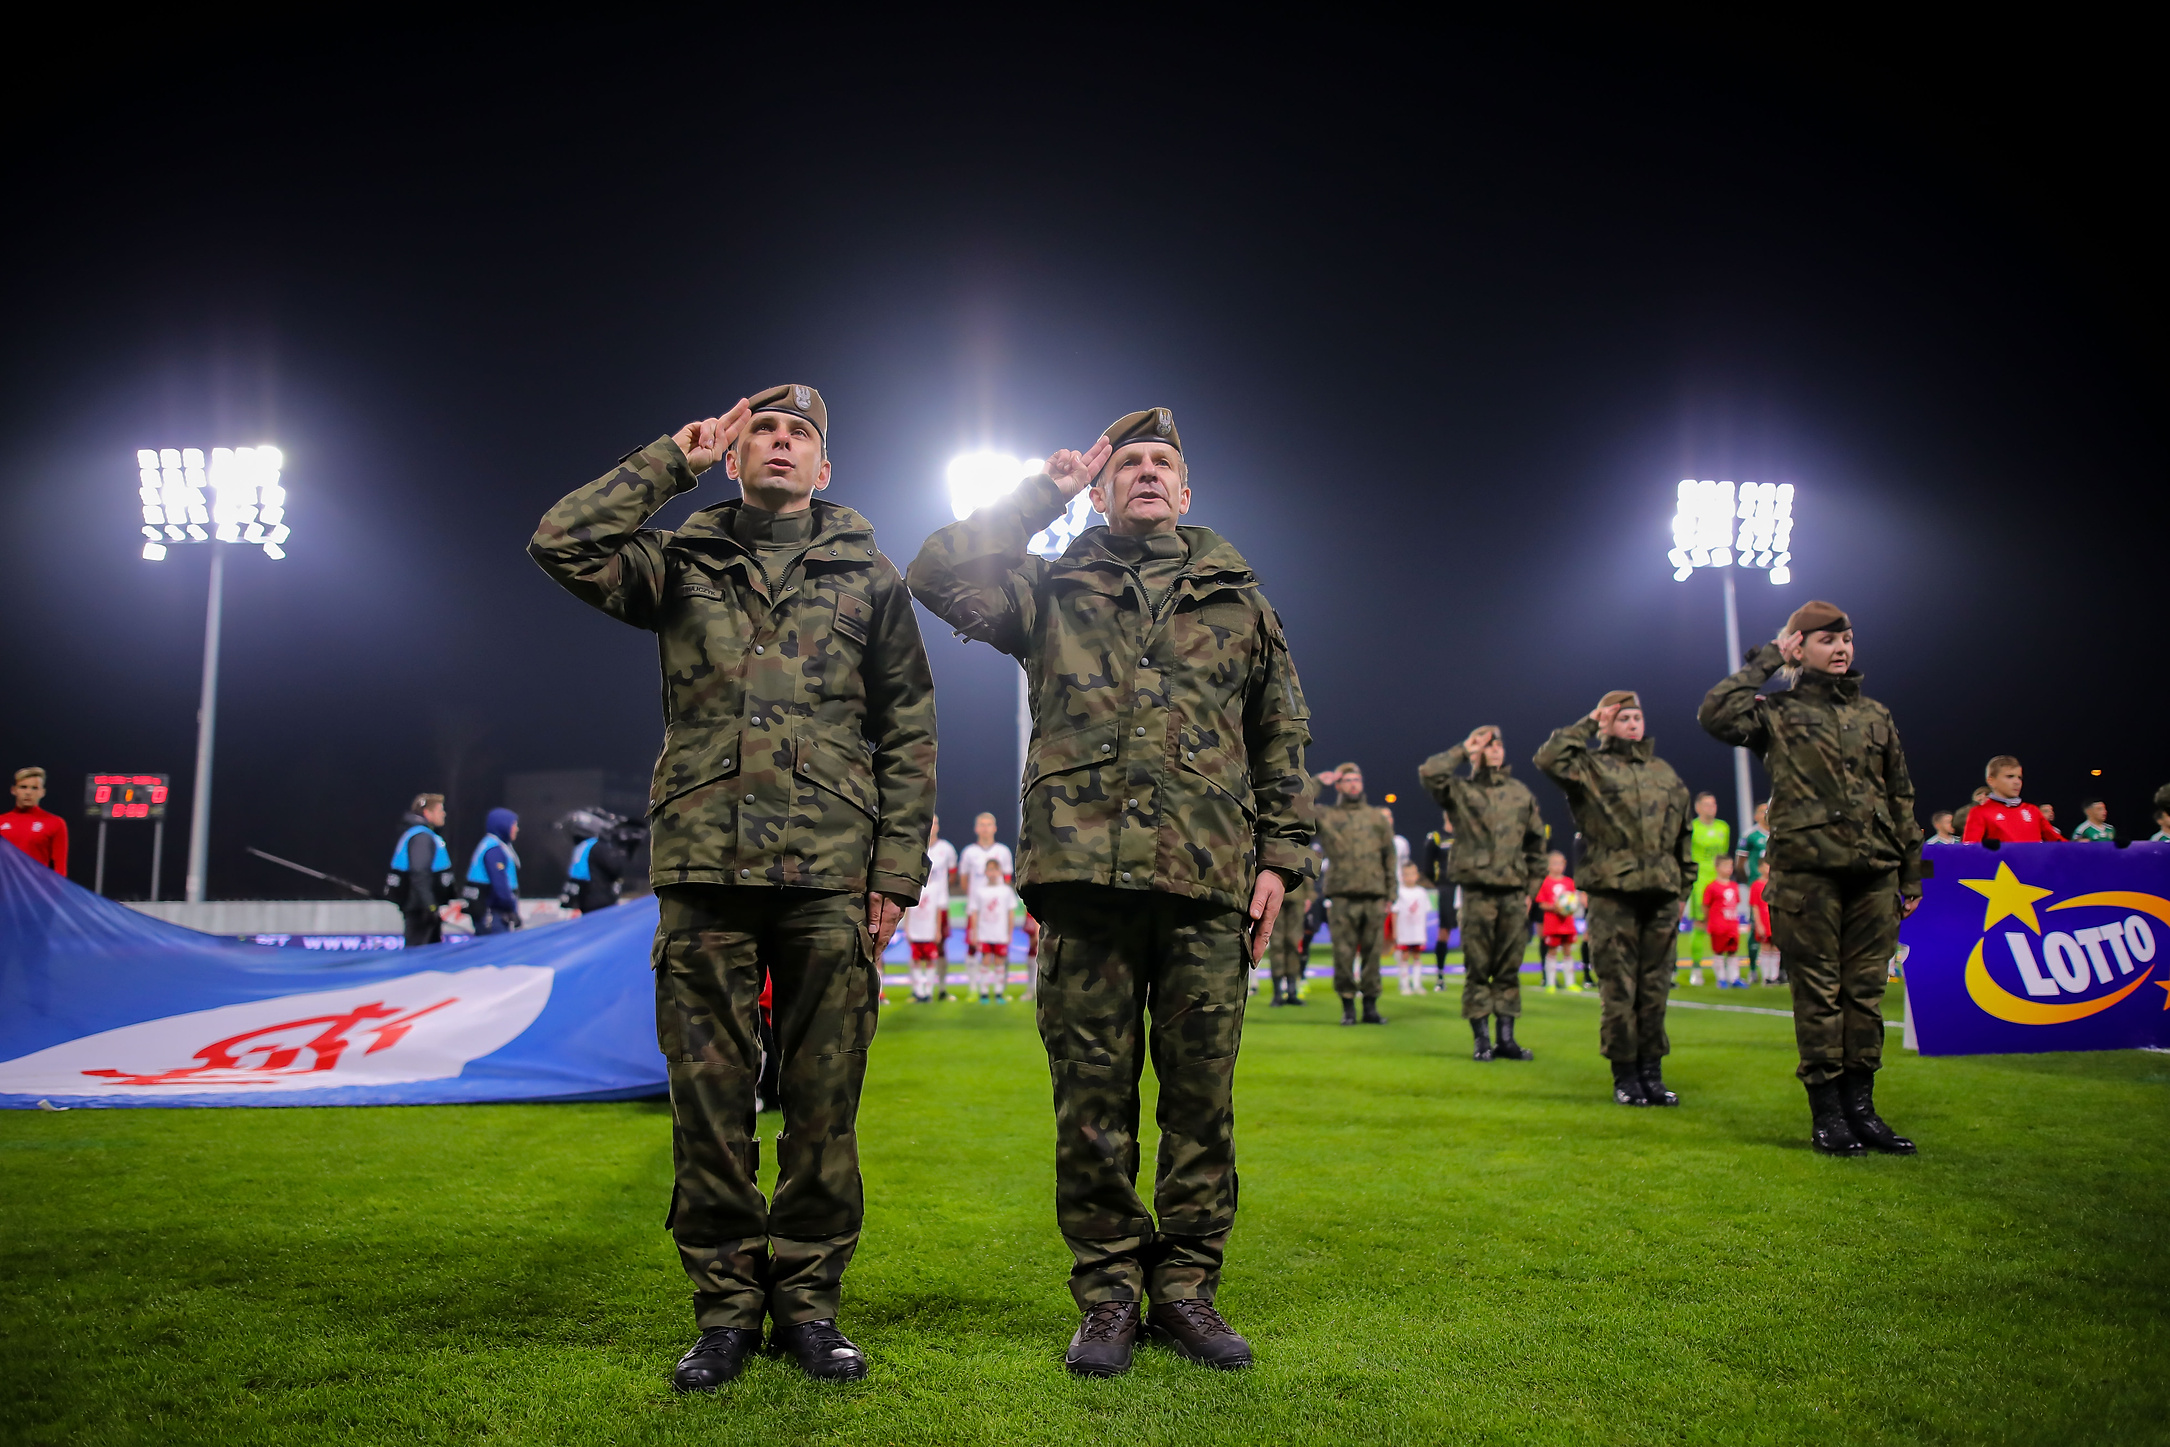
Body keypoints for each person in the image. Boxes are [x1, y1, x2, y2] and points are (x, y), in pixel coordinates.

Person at [530, 386, 937, 1388]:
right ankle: (723, 1313)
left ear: (825, 467)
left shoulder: (869, 573)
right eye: (764, 430)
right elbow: (561, 543)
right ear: (734, 454)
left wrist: (895, 868)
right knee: (708, 1103)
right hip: (706, 865)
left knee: (822, 1104)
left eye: (801, 435)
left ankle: (809, 1307)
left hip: (829, 870)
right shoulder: (682, 560)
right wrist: (670, 459)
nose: (781, 443)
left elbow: (908, 726)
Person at [909, 405, 1311, 1377]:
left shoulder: (1240, 600)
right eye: (1127, 462)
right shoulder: (1050, 584)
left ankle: (1186, 1289)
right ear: (1097, 489)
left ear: (1186, 488)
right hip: (1084, 878)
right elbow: (935, 571)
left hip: (1206, 877)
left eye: (1161, 460)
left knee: (1200, 1101)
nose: (1146, 471)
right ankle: (1107, 1294)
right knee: (1090, 1101)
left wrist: (1281, 858)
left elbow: (1281, 734)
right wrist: (1035, 497)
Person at [1699, 599, 1921, 1157]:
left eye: (1846, 638)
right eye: (1827, 640)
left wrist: (1911, 875)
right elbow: (1715, 714)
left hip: (1873, 874)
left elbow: (1900, 796)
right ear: (1800, 647)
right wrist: (1771, 658)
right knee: (1819, 995)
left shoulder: (1875, 714)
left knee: (1865, 996)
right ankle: (1828, 1115)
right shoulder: (1776, 711)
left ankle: (1862, 1110)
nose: (1841, 648)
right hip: (1806, 876)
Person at [1534, 690, 1693, 1107]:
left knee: (1655, 988)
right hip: (1612, 892)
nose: (1633, 724)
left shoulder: (1664, 772)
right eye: (1624, 717)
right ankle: (1625, 1074)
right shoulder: (1589, 767)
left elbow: (1684, 834)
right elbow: (1548, 759)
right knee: (1619, 988)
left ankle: (1652, 1073)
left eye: (1637, 717)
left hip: (1661, 892)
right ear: (1608, 723)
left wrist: (1684, 888)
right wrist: (1590, 722)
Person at [1420, 726, 1546, 1061]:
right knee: (1477, 967)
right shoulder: (1460, 791)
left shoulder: (1520, 793)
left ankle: (1506, 1039)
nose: (1495, 749)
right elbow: (1430, 773)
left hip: (1513, 893)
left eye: (1498, 745)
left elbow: (1537, 845)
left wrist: (1531, 891)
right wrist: (1464, 749)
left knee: (1509, 968)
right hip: (1476, 892)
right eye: (1488, 745)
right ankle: (1481, 1040)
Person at [1316, 762, 1398, 1025]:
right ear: (1339, 785)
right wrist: (1319, 782)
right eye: (1347, 780)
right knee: (1343, 954)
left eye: (1357, 780)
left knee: (1373, 955)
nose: (1353, 785)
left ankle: (1370, 1006)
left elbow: (1389, 856)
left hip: (1374, 894)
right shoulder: (1327, 816)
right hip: (1342, 895)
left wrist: (1391, 893)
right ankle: (1348, 1006)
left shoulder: (1376, 818)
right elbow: (1298, 805)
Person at [1267, 789, 1319, 1006]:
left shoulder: (1300, 835)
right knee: (1277, 943)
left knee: (1292, 943)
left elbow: (1305, 867)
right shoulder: (1272, 830)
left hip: (1296, 898)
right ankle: (1278, 991)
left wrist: (1309, 896)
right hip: (1278, 896)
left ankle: (1291, 989)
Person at [386, 793, 454, 947]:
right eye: (440, 810)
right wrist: (430, 905)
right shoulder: (422, 838)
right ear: (427, 813)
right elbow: (419, 872)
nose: (444, 814)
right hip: (421, 911)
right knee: (421, 953)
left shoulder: (419, 834)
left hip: (422, 908)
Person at [959, 812, 1013, 998]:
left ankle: (1000, 989)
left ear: (995, 828)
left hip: (997, 911)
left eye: (988, 824)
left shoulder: (1003, 852)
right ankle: (974, 988)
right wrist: (976, 900)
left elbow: (1007, 879)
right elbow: (964, 881)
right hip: (976, 909)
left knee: (1000, 950)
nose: (985, 828)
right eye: (982, 824)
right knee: (973, 947)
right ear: (976, 828)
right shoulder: (969, 852)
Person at [906, 817, 957, 1002]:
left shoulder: (947, 849)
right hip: (919, 904)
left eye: (935, 823)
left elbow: (952, 876)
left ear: (938, 826)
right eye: (930, 822)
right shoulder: (915, 848)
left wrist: (939, 893)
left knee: (940, 947)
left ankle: (941, 988)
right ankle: (917, 990)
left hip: (940, 904)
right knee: (916, 948)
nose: (932, 826)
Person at [1682, 792, 1730, 978]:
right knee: (1700, 924)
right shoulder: (1692, 828)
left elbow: (1724, 854)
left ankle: (1725, 968)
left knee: (1724, 925)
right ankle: (1696, 969)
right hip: (1700, 882)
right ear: (1698, 807)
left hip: (1720, 881)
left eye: (1714, 804)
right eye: (1707, 804)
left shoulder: (1723, 827)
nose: (1712, 808)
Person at [1961, 758, 2061, 843]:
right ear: (1991, 781)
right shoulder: (1979, 812)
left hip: (2033, 861)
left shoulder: (2033, 810)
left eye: (2019, 777)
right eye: (2010, 776)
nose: (2017, 782)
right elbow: (1970, 851)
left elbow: (2059, 842)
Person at [558, 809, 637, 915]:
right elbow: (615, 868)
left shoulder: (581, 847)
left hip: (585, 899)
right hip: (600, 900)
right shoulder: (596, 846)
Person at [464, 808, 523, 935]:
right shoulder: (494, 850)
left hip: (487, 911)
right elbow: (499, 883)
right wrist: (511, 909)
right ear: (503, 825)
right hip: (493, 913)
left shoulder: (490, 844)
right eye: (514, 825)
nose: (517, 829)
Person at [2, 767, 68, 875]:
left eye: (34, 788)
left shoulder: (55, 823)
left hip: (36, 885)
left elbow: (60, 867)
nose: (28, 792)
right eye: (23, 787)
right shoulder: (1, 821)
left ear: (42, 792)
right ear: (13, 790)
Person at [971, 858, 1018, 1003]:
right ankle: (984, 993)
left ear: (1000, 872)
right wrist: (974, 933)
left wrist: (1009, 933)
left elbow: (1010, 913)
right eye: (989, 870)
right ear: (985, 872)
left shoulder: (1006, 891)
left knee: (999, 962)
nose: (992, 873)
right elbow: (975, 913)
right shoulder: (980, 891)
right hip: (984, 933)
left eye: (995, 870)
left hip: (1000, 933)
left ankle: (998, 992)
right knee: (985, 961)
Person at [1534, 852, 1582, 993]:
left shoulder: (1569, 882)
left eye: (1561, 863)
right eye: (1555, 863)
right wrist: (1555, 907)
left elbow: (1573, 901)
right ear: (1548, 866)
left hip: (1567, 923)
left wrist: (1571, 907)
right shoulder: (1545, 882)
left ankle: (1570, 983)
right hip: (1553, 924)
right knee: (1552, 951)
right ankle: (1550, 983)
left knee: (1568, 951)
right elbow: (1541, 904)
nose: (1558, 866)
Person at [1420, 814, 1455, 983]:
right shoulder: (1436, 837)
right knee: (1444, 930)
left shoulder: (1467, 836)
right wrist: (1440, 883)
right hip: (1447, 888)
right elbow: (1428, 867)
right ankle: (1440, 975)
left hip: (1466, 887)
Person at [1702, 856, 1744, 988]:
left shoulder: (1734, 886)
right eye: (1725, 866)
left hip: (1732, 925)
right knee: (1719, 951)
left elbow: (1735, 904)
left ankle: (1734, 978)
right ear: (1717, 868)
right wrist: (1709, 921)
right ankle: (1721, 979)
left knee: (1733, 951)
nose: (1729, 869)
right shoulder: (1712, 887)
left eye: (1730, 866)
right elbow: (1705, 905)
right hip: (1718, 925)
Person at [1392, 861, 1431, 994]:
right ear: (1402, 876)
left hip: (1417, 931)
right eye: (1406, 874)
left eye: (1412, 874)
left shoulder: (1422, 892)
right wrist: (1395, 931)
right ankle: (1404, 984)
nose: (1409, 877)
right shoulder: (1399, 893)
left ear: (1417, 875)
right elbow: (1395, 912)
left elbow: (1425, 912)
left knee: (1417, 956)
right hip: (1404, 931)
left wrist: (1424, 930)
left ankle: (1417, 984)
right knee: (1404, 956)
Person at [1747, 859, 1780, 985]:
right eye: (1767, 866)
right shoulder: (1756, 885)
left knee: (1776, 948)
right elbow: (1754, 906)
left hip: (1775, 921)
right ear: (1760, 868)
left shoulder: (1776, 884)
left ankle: (1774, 976)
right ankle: (1766, 977)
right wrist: (1758, 924)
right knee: (1765, 948)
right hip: (1764, 922)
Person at [1737, 800, 1770, 884]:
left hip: (1775, 882)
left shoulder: (1778, 834)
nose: (1766, 814)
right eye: (1763, 812)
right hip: (1755, 881)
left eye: (1768, 811)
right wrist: (1746, 881)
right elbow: (1740, 862)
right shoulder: (1748, 835)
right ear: (1755, 816)